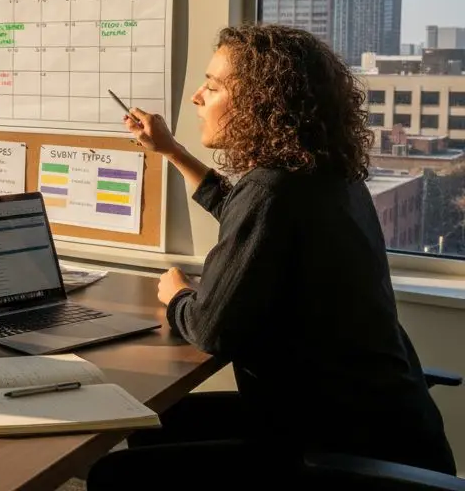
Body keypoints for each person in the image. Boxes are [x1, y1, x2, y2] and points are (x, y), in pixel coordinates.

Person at [86, 24, 455, 487]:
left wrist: (178, 296)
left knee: (114, 474)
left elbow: (209, 328)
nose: (197, 97)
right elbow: (245, 217)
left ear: (262, 103)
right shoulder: (322, 175)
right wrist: (172, 151)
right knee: (158, 420)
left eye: (214, 86)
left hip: (335, 448)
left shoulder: (273, 189)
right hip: (380, 426)